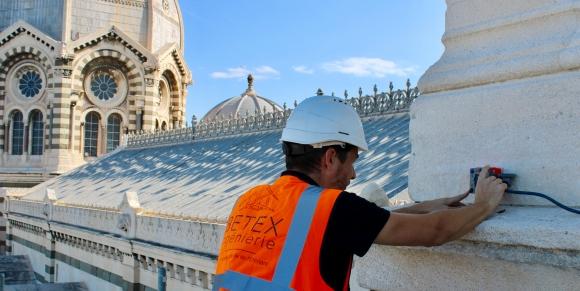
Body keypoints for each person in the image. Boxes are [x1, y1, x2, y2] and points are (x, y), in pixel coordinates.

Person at [214, 95, 507, 291]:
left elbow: (359, 224)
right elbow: (436, 231)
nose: (353, 175)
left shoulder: (249, 200)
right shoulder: (333, 208)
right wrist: (483, 205)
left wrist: (427, 205)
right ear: (330, 158)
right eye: (351, 161)